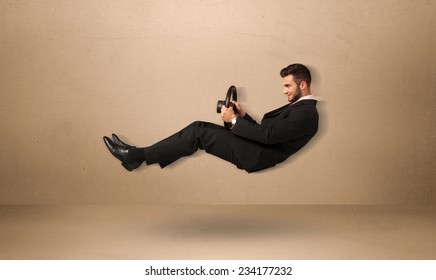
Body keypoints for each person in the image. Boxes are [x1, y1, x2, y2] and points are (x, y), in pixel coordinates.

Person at [103, 63, 319, 173]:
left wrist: (234, 121)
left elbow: (269, 137)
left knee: (199, 132)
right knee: (198, 129)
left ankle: (136, 156)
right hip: (256, 147)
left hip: (257, 155)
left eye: (287, 85)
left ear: (302, 84)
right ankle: (137, 156)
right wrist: (243, 116)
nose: (284, 91)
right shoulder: (300, 109)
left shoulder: (307, 113)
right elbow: (267, 132)